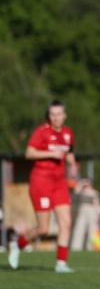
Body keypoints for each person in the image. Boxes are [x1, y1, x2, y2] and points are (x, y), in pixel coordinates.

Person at [7, 101, 76, 273]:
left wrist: (72, 163)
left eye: (59, 114)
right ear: (49, 116)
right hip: (41, 182)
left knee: (66, 223)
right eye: (53, 114)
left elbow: (70, 153)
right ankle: (18, 243)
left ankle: (61, 263)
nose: (56, 117)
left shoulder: (68, 133)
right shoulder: (42, 131)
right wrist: (51, 153)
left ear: (65, 115)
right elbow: (29, 153)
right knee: (43, 229)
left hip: (59, 183)